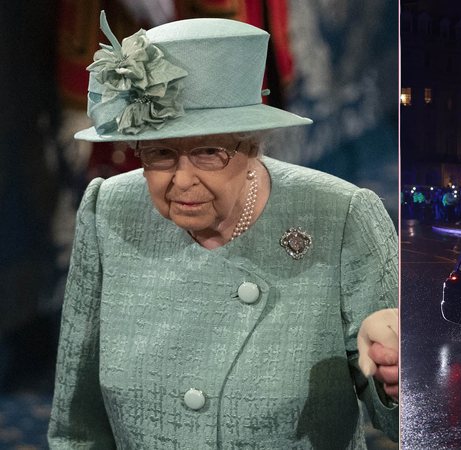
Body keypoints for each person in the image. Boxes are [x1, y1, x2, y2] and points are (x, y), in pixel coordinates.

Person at [48, 12, 399, 448]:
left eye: (208, 152)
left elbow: (400, 420)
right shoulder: (108, 211)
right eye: (159, 153)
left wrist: (398, 381)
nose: (181, 180)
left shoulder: (342, 216)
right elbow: (76, 424)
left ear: (252, 145)